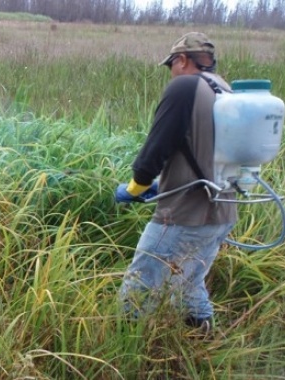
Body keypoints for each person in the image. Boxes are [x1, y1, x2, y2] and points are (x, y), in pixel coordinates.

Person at [115, 32, 237, 334]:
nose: (170, 72)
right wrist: (163, 183)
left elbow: (156, 147)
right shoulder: (224, 89)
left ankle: (122, 352)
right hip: (222, 211)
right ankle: (204, 347)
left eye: (171, 65)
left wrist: (135, 188)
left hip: (183, 214)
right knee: (189, 282)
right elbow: (204, 150)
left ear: (182, 60)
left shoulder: (184, 86)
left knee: (139, 284)